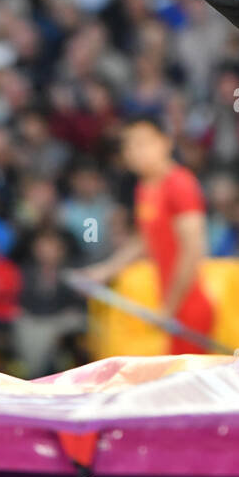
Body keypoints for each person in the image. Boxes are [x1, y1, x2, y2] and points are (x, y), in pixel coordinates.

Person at [80, 115, 215, 355]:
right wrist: (104, 270)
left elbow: (193, 250)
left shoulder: (180, 184)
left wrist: (169, 308)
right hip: (169, 304)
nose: (134, 152)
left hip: (188, 306)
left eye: (143, 143)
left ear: (165, 143)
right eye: (129, 146)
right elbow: (144, 240)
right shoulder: (145, 187)